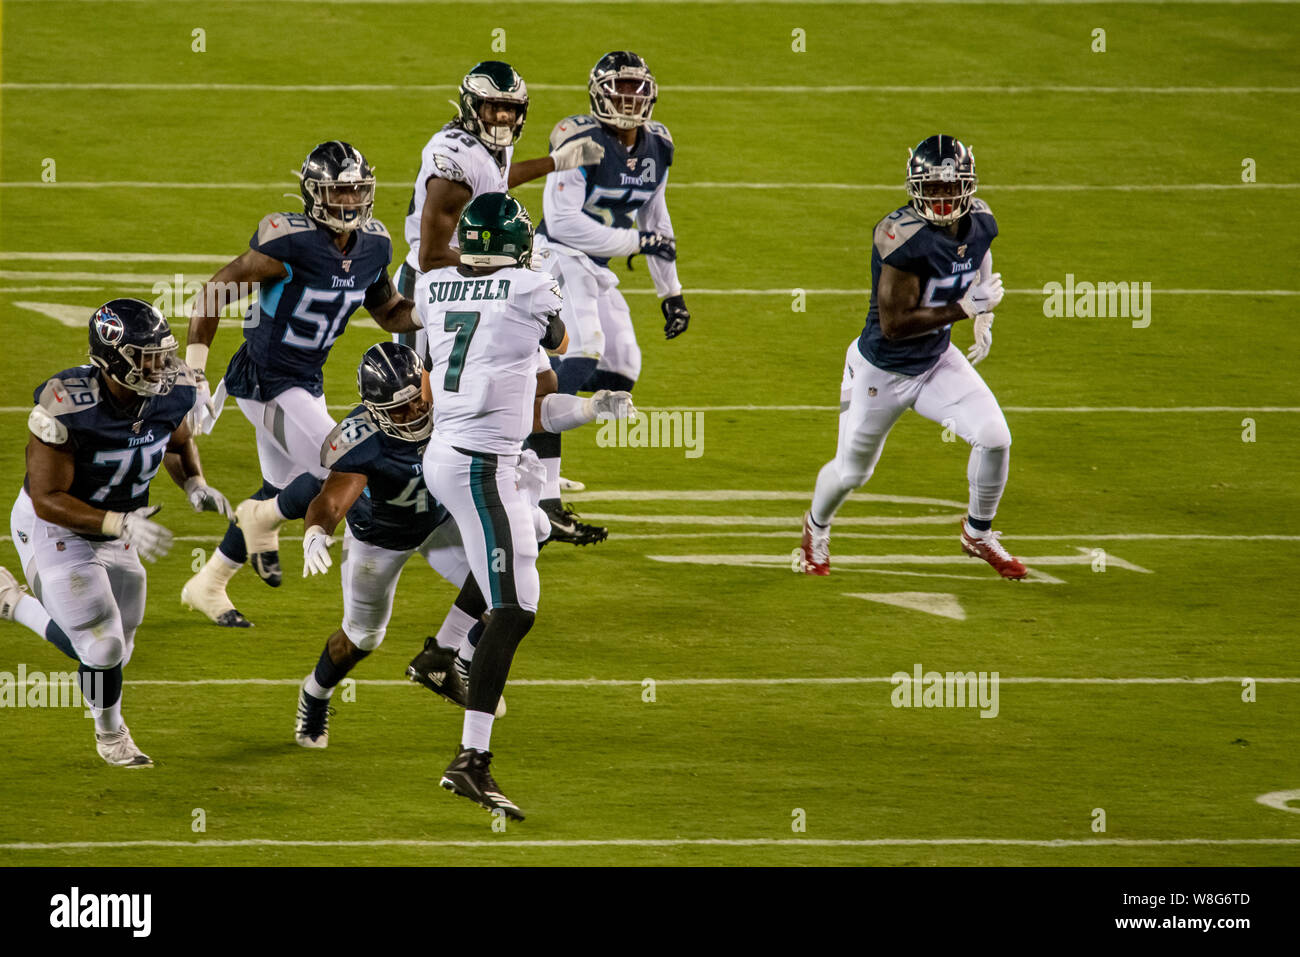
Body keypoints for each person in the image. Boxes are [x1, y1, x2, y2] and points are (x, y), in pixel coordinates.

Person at [418, 192, 633, 819]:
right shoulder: (531, 290)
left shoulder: (435, 288)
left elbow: (536, 407)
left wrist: (592, 410)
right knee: (515, 610)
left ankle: (444, 647)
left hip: (462, 452)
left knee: (533, 529)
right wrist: (537, 280)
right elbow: (563, 339)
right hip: (479, 464)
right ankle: (470, 761)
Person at [181, 141, 422, 627]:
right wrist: (194, 371)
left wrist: (437, 313)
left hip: (303, 380)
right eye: (339, 192)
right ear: (313, 194)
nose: (350, 202)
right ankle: (263, 521)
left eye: (357, 191)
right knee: (337, 466)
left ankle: (208, 583)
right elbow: (214, 292)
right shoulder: (289, 242)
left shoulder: (375, 244)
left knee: (281, 486)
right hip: (265, 381)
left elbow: (391, 312)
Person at [3, 299, 231, 767]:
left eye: (163, 353)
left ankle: (12, 603)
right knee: (101, 645)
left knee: (114, 652)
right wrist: (118, 522)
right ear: (111, 359)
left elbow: (177, 439)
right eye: (147, 357)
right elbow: (47, 496)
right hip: (55, 526)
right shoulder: (66, 404)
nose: (162, 366)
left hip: (121, 525)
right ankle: (111, 737)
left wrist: (194, 484)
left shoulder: (173, 390)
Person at [798, 135, 1025, 580]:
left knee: (995, 437)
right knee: (852, 472)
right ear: (915, 186)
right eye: (933, 188)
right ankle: (815, 527)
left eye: (950, 187)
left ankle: (977, 534)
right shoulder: (900, 236)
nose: (942, 198)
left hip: (936, 359)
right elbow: (895, 324)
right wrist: (967, 308)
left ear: (968, 184)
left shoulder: (980, 218)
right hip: (881, 370)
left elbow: (978, 252)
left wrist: (983, 316)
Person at [527, 51, 688, 543]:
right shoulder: (581, 142)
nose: (628, 99)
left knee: (622, 366)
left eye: (636, 89)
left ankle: (531, 450)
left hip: (593, 266)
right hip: (555, 258)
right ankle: (543, 494)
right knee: (583, 352)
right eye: (619, 89)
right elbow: (563, 223)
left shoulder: (659, 144)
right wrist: (636, 244)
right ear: (597, 95)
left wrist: (671, 292)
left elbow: (655, 219)